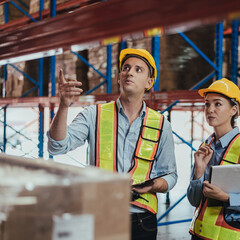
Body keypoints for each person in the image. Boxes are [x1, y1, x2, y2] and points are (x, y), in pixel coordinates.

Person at [48, 48, 178, 240]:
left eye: (138, 69)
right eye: (125, 68)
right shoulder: (94, 114)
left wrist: (152, 185)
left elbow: (171, 175)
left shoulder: (161, 124)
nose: (130, 72)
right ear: (119, 77)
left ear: (149, 83)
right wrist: (64, 105)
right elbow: (57, 146)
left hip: (142, 220)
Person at [187, 78, 240, 240]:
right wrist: (198, 172)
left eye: (217, 104)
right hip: (199, 235)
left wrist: (226, 197)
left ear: (234, 109)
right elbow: (194, 200)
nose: (210, 109)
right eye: (207, 104)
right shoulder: (206, 147)